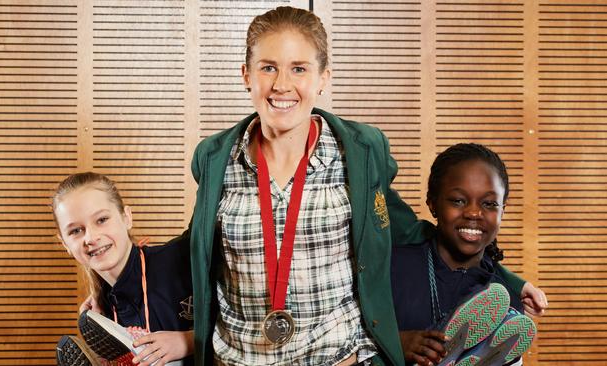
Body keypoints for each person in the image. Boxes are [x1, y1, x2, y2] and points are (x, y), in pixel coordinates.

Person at [182, 6, 547, 365]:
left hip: (339, 356)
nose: (282, 84)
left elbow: (414, 232)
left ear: (323, 78)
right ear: (246, 74)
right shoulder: (216, 159)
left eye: (299, 69)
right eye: (268, 68)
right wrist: (128, 258)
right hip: (238, 358)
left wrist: (508, 281)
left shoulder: (360, 153)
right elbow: (197, 247)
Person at [391, 143, 537, 366]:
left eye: (489, 204)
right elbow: (345, 336)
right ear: (432, 203)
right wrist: (394, 343)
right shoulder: (395, 265)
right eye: (458, 200)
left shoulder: (506, 296)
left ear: (502, 212)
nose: (474, 213)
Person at [52, 172, 194, 366]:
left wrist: (189, 340)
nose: (91, 238)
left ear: (127, 217)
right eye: (76, 231)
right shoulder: (103, 311)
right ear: (65, 244)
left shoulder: (183, 256)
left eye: (101, 220)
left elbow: (246, 319)